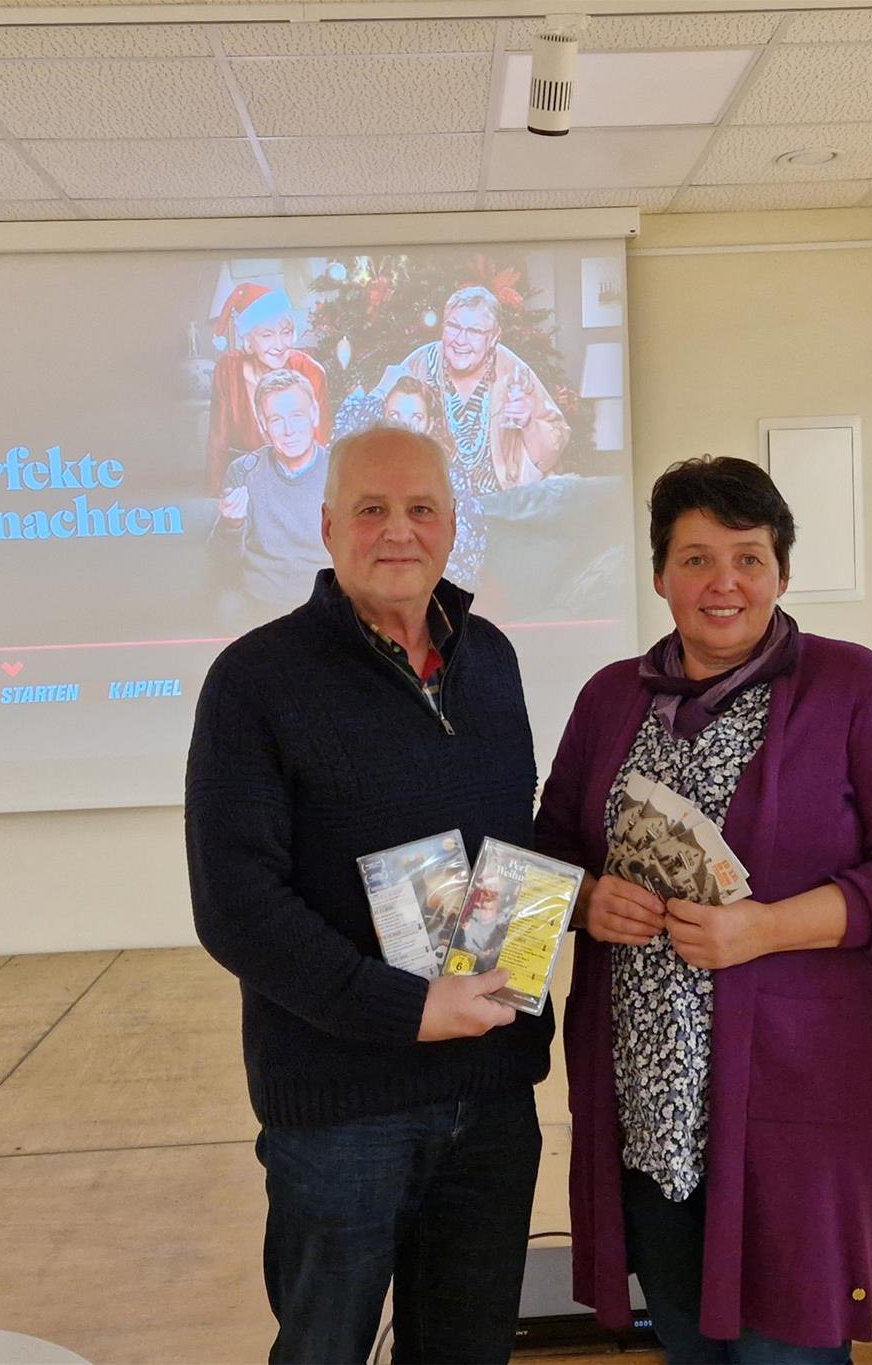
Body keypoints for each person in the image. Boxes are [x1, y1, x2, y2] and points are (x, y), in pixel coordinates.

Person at [535, 456, 872, 1362]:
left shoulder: (850, 686)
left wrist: (766, 927)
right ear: (659, 574)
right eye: (695, 558)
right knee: (688, 1339)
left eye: (748, 557)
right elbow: (549, 850)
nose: (722, 582)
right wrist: (584, 901)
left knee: (785, 1347)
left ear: (782, 572)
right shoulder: (612, 697)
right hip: (645, 1101)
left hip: (793, 1100)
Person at [188, 425, 547, 1365]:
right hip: (343, 1110)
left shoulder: (493, 659)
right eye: (372, 509)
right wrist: (408, 1008)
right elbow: (235, 906)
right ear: (325, 524)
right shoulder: (256, 681)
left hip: (492, 1099)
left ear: (452, 524)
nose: (399, 531)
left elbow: (513, 846)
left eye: (421, 508)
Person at [398, 285, 568, 495]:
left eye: (475, 331)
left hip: (501, 502)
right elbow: (372, 419)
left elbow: (555, 439)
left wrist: (528, 424)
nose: (460, 340)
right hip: (431, 499)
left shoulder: (513, 371)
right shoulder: (419, 364)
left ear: (494, 337)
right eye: (453, 326)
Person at [216, 370, 331, 616]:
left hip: (324, 607)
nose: (288, 430)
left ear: (314, 414)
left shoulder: (342, 472)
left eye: (296, 416)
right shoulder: (243, 472)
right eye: (276, 420)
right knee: (226, 608)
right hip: (259, 606)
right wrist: (231, 525)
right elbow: (222, 565)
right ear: (262, 425)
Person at [205, 283, 329, 495]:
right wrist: (215, 490)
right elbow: (219, 436)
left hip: (298, 482)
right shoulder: (228, 369)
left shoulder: (310, 371)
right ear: (248, 340)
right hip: (246, 479)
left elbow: (320, 440)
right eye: (267, 335)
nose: (280, 345)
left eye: (286, 332)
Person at [383, 374, 488, 591]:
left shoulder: (452, 479)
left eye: (415, 417)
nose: (403, 426)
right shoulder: (360, 475)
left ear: (429, 424)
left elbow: (465, 562)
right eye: (394, 415)